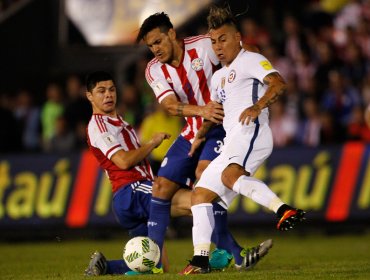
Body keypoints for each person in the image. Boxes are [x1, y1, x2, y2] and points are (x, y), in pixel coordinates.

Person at [137, 12, 271, 271]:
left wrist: (249, 68)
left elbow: (247, 50)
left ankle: (226, 256)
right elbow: (170, 105)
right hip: (193, 129)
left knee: (204, 175)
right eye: (150, 46)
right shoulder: (154, 69)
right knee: (161, 187)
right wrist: (202, 111)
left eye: (158, 42)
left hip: (222, 126)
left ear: (172, 34)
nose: (155, 50)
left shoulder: (203, 45)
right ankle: (152, 263)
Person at [180, 5, 305, 274]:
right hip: (231, 141)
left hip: (252, 131)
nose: (218, 47)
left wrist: (258, 106)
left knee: (229, 176)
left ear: (237, 37)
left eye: (223, 39)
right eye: (213, 42)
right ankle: (200, 259)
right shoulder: (218, 77)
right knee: (199, 195)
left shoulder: (249, 58)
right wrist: (199, 136)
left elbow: (278, 83)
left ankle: (282, 209)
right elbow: (214, 113)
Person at [83, 71, 191, 275]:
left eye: (112, 90)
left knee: (156, 266)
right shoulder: (98, 125)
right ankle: (220, 255)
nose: (108, 95)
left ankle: (106, 267)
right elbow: (123, 162)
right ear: (89, 96)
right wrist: (152, 142)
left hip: (127, 197)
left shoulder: (119, 121)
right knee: (196, 202)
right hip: (132, 190)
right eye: (101, 91)